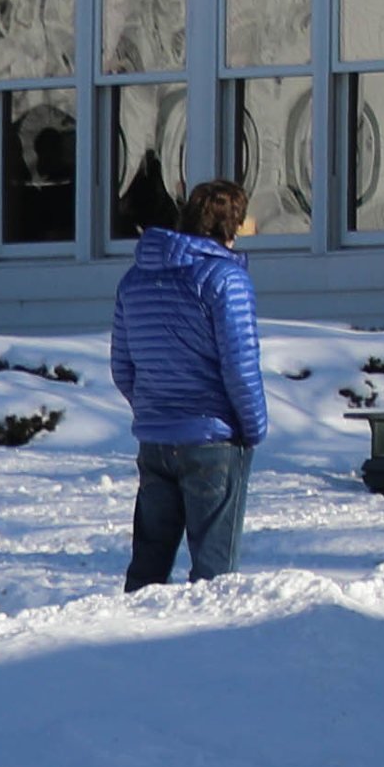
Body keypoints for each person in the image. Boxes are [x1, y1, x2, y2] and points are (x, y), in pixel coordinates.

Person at [110, 174, 267, 589]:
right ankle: (206, 649)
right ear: (230, 226)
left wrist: (151, 407)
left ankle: (130, 646)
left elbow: (123, 366)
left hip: (155, 438)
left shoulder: (134, 279)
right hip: (212, 437)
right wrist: (252, 428)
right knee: (214, 575)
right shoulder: (226, 280)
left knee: (147, 567)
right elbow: (240, 365)